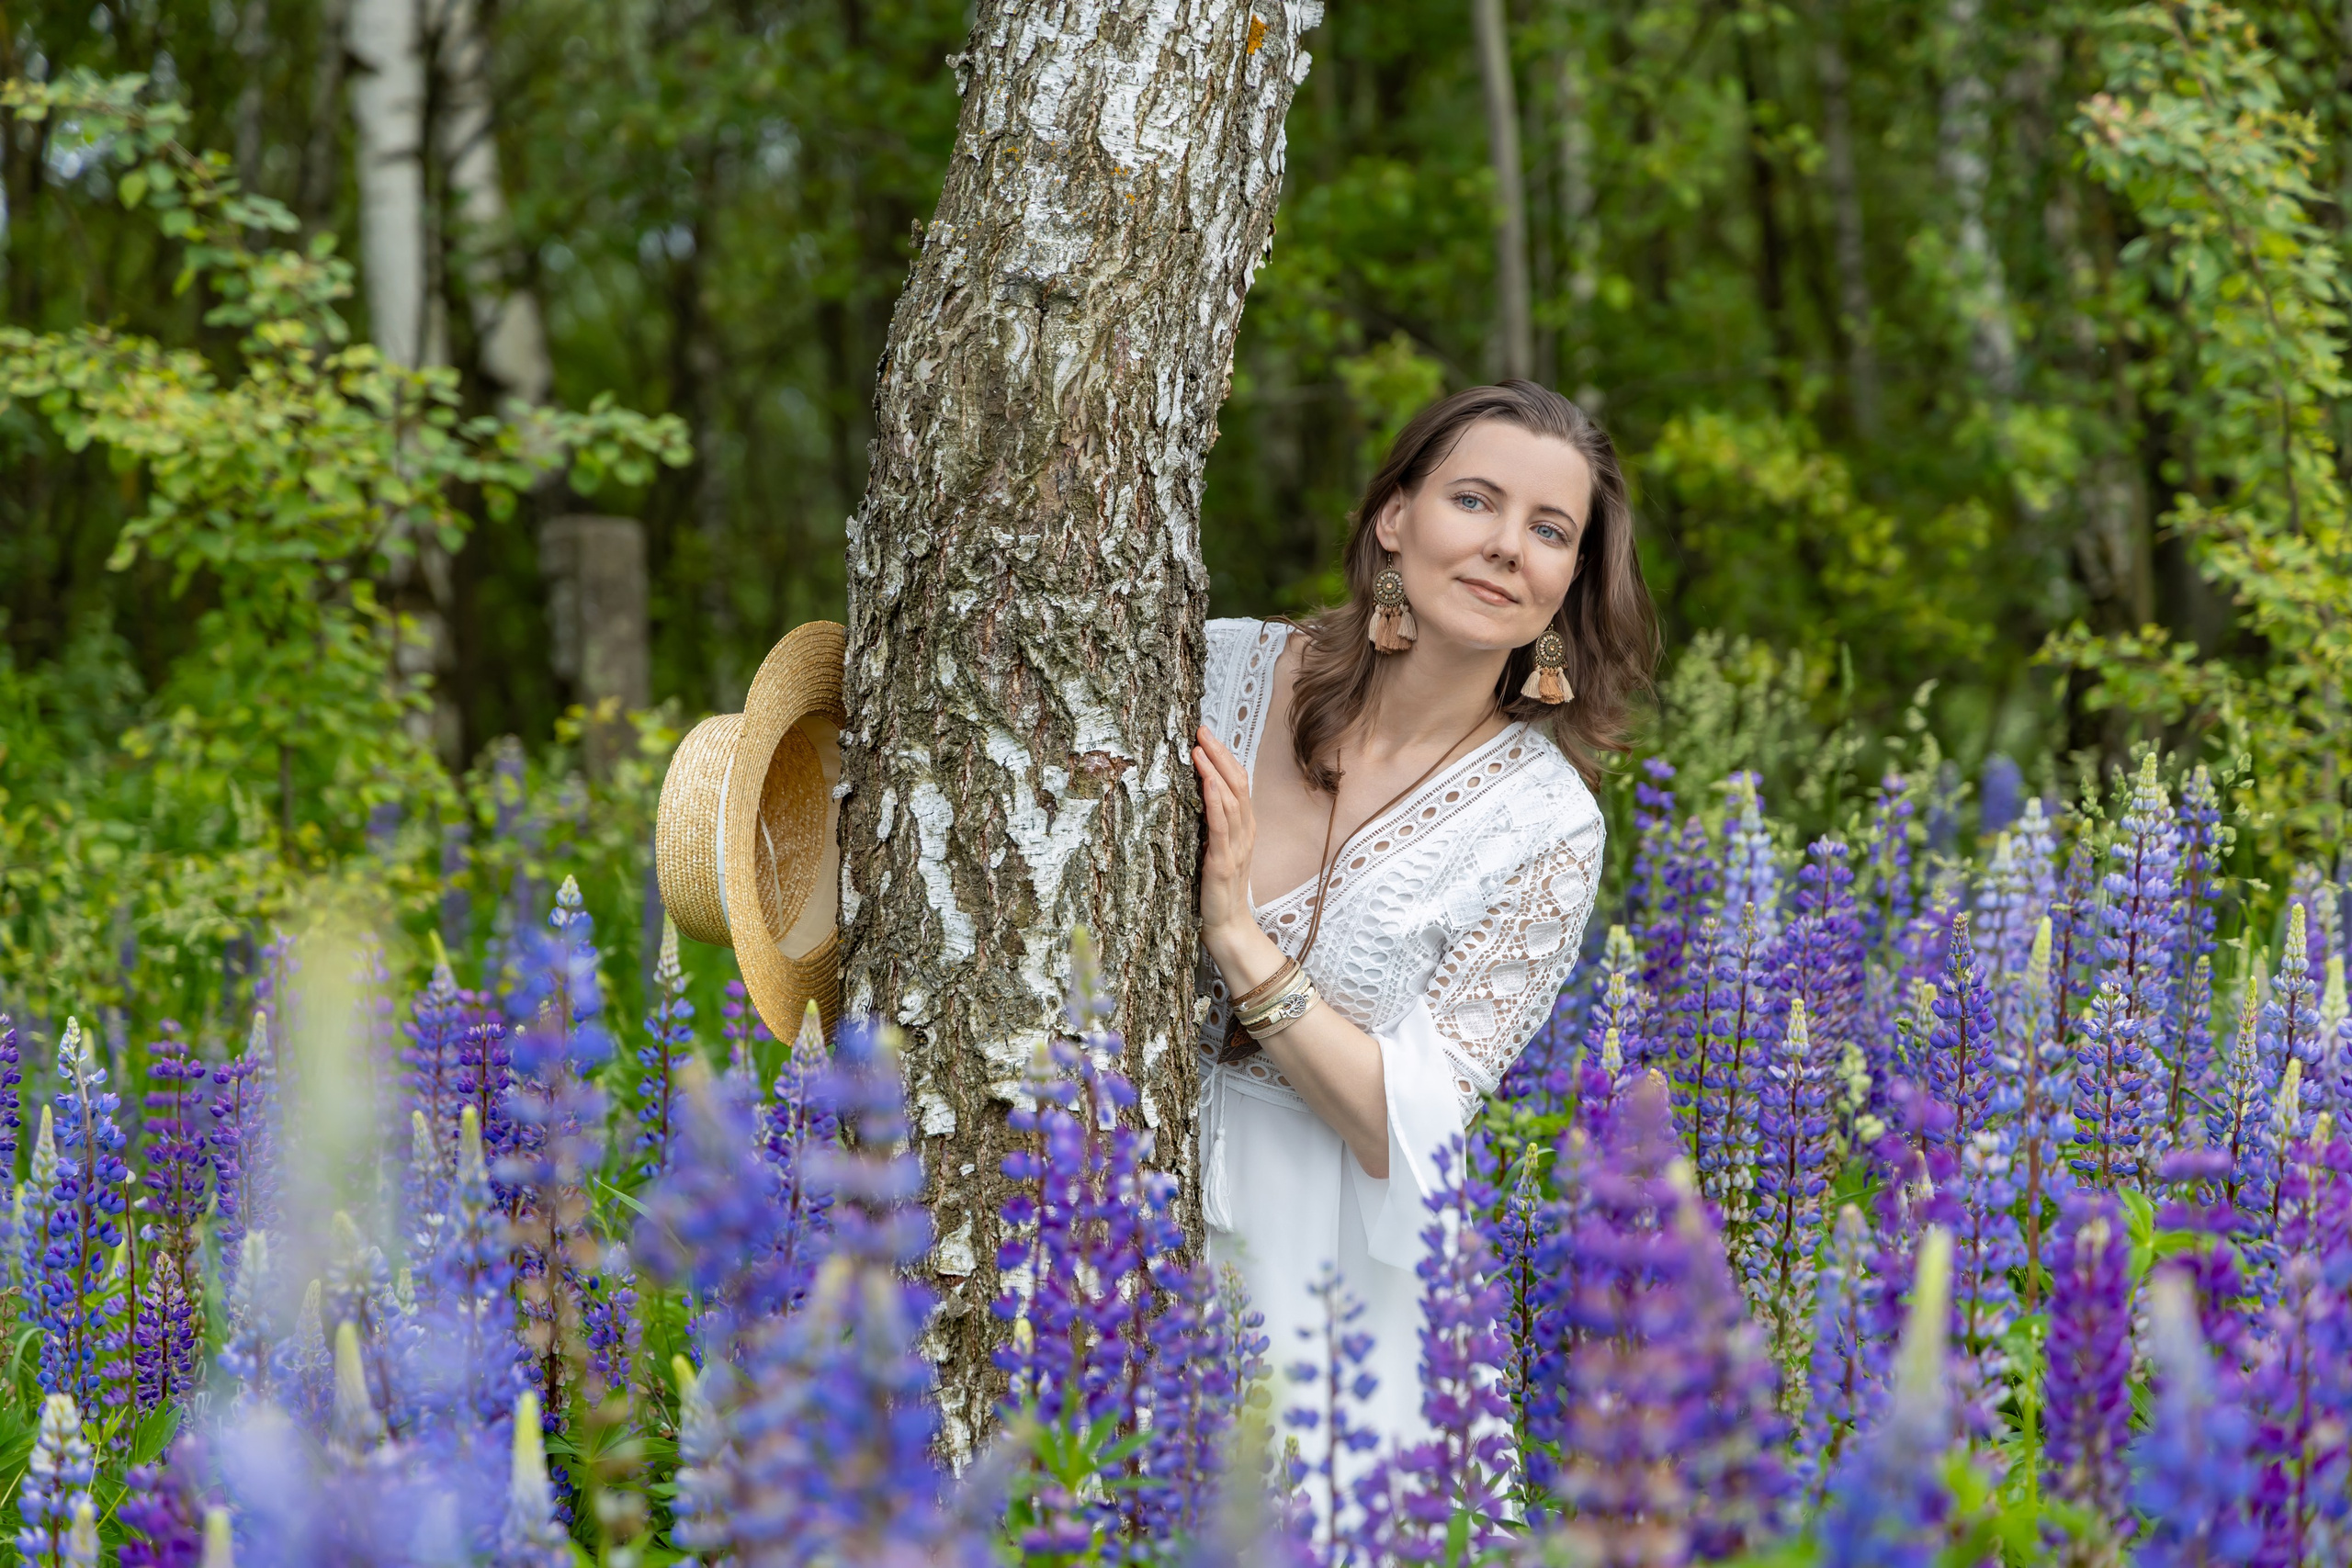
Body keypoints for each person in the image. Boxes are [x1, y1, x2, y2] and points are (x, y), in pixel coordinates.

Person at [1189, 380, 1658, 1461]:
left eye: (1549, 531)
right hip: (1095, 1196)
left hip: (1324, 1281)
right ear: (1394, 516)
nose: (1506, 547)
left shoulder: (1546, 825)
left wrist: (1240, 942)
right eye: (1474, 502)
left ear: (1569, 583)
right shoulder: (1218, 666)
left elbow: (1407, 1126)